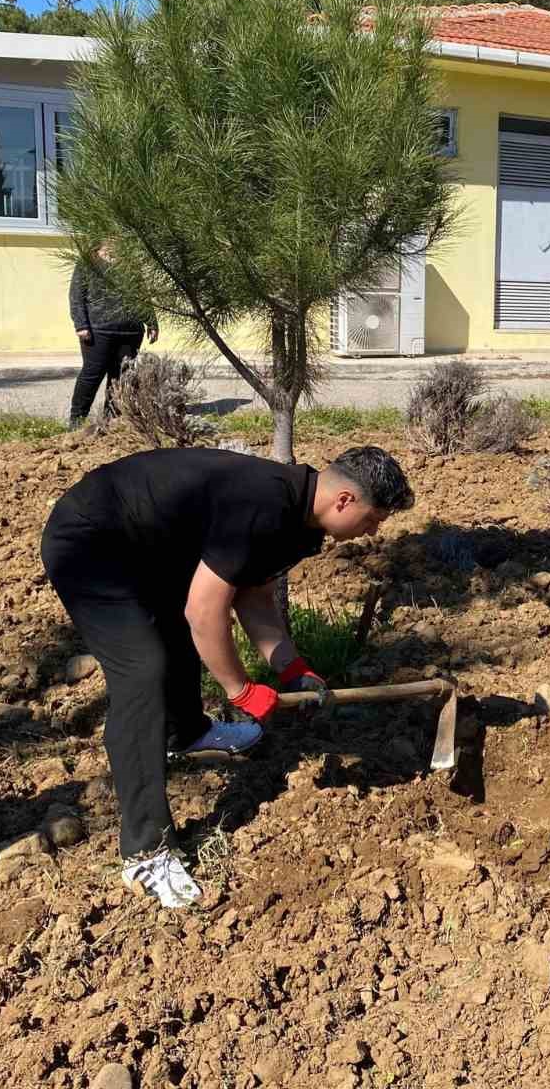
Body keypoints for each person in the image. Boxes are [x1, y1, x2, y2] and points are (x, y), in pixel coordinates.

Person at [40, 445, 414, 908]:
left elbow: (252, 598)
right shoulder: (266, 504)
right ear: (344, 501)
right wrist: (241, 690)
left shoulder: (301, 519)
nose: (372, 533)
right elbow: (205, 611)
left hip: (146, 549)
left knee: (171, 633)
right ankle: (146, 850)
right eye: (373, 520)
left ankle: (187, 732)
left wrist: (293, 671)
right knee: (142, 672)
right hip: (92, 542)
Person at [68, 242, 158, 427]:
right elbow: (76, 296)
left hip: (131, 331)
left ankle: (112, 420)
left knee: (121, 377)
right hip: (98, 330)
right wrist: (81, 325)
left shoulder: (130, 263)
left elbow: (141, 293)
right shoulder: (88, 262)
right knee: (92, 375)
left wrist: (151, 321)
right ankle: (76, 421)